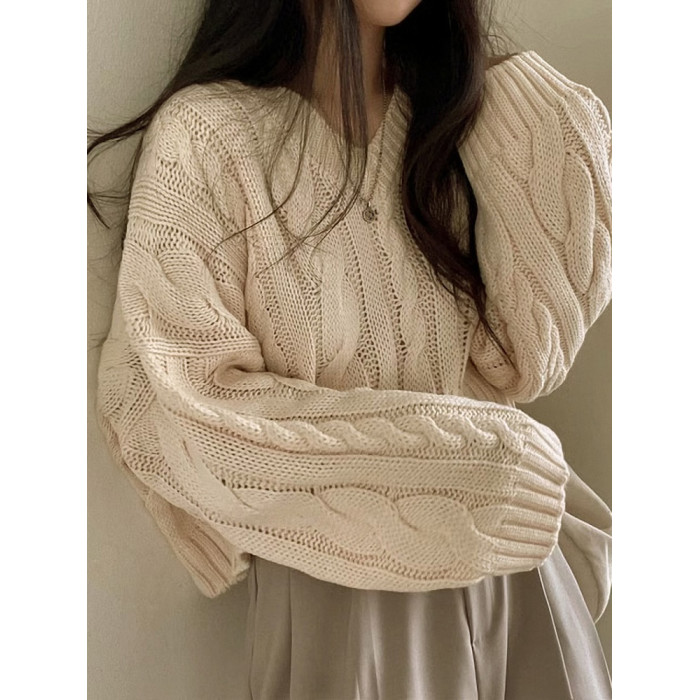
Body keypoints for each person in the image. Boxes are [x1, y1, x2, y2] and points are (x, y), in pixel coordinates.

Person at [88, 0, 613, 697]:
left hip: (519, 578)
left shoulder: (450, 128)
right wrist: (466, 472)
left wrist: (504, 88)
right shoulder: (211, 136)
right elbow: (190, 412)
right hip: (344, 598)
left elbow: (532, 351)